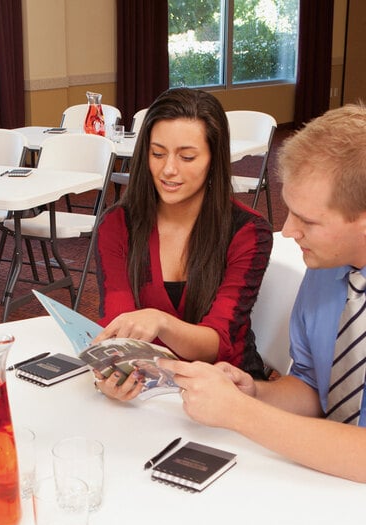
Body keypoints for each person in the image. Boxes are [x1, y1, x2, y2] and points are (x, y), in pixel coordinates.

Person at [162, 102, 366, 482]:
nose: (287, 231)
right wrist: (252, 394)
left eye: (307, 220)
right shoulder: (326, 269)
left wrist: (242, 414)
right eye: (289, 210)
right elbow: (313, 388)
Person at [93, 87, 273, 401]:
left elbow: (218, 341)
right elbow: (116, 321)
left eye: (187, 157)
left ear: (214, 159)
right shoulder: (118, 223)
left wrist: (160, 321)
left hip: (227, 388)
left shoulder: (247, 231)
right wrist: (112, 372)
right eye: (157, 153)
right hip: (150, 386)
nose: (168, 170)